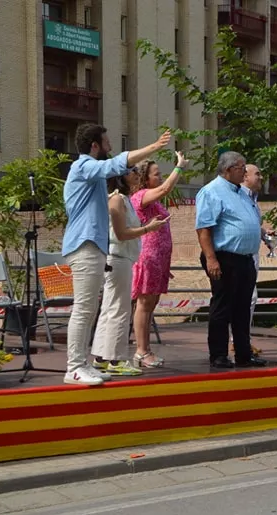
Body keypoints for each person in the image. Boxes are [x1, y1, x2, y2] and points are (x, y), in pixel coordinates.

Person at [60, 123, 171, 386]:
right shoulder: (83, 166)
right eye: (107, 141)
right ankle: (74, 366)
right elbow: (114, 166)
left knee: (90, 310)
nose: (111, 145)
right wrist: (154, 147)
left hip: (94, 247)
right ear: (94, 145)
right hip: (84, 245)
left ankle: (84, 364)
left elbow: (112, 170)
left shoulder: (93, 176)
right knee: (84, 309)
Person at [92, 169, 169, 376]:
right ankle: (116, 360)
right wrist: (148, 228)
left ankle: (101, 357)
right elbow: (121, 233)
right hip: (118, 259)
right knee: (119, 309)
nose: (136, 174)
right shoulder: (116, 199)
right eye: (132, 171)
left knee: (110, 308)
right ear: (122, 177)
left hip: (120, 259)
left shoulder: (120, 199)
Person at [195, 151, 266, 369]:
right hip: (224, 257)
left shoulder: (241, 193)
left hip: (245, 258)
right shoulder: (211, 192)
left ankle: (244, 353)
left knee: (243, 308)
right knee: (222, 306)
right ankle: (218, 354)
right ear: (228, 170)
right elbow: (204, 228)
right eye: (241, 168)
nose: (245, 173)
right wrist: (211, 259)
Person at [129, 152, 189, 369]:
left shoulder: (152, 199)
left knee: (150, 303)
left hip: (159, 258)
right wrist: (179, 167)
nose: (161, 177)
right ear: (146, 179)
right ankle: (141, 351)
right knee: (144, 304)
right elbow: (165, 189)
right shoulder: (142, 196)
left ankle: (146, 349)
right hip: (149, 257)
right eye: (157, 174)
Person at [239, 164, 266, 357]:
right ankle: (239, 341)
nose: (261, 177)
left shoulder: (253, 199)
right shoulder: (240, 196)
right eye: (257, 174)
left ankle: (242, 340)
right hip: (242, 254)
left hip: (253, 252)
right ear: (245, 177)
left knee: (250, 299)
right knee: (247, 298)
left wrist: (264, 233)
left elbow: (252, 223)